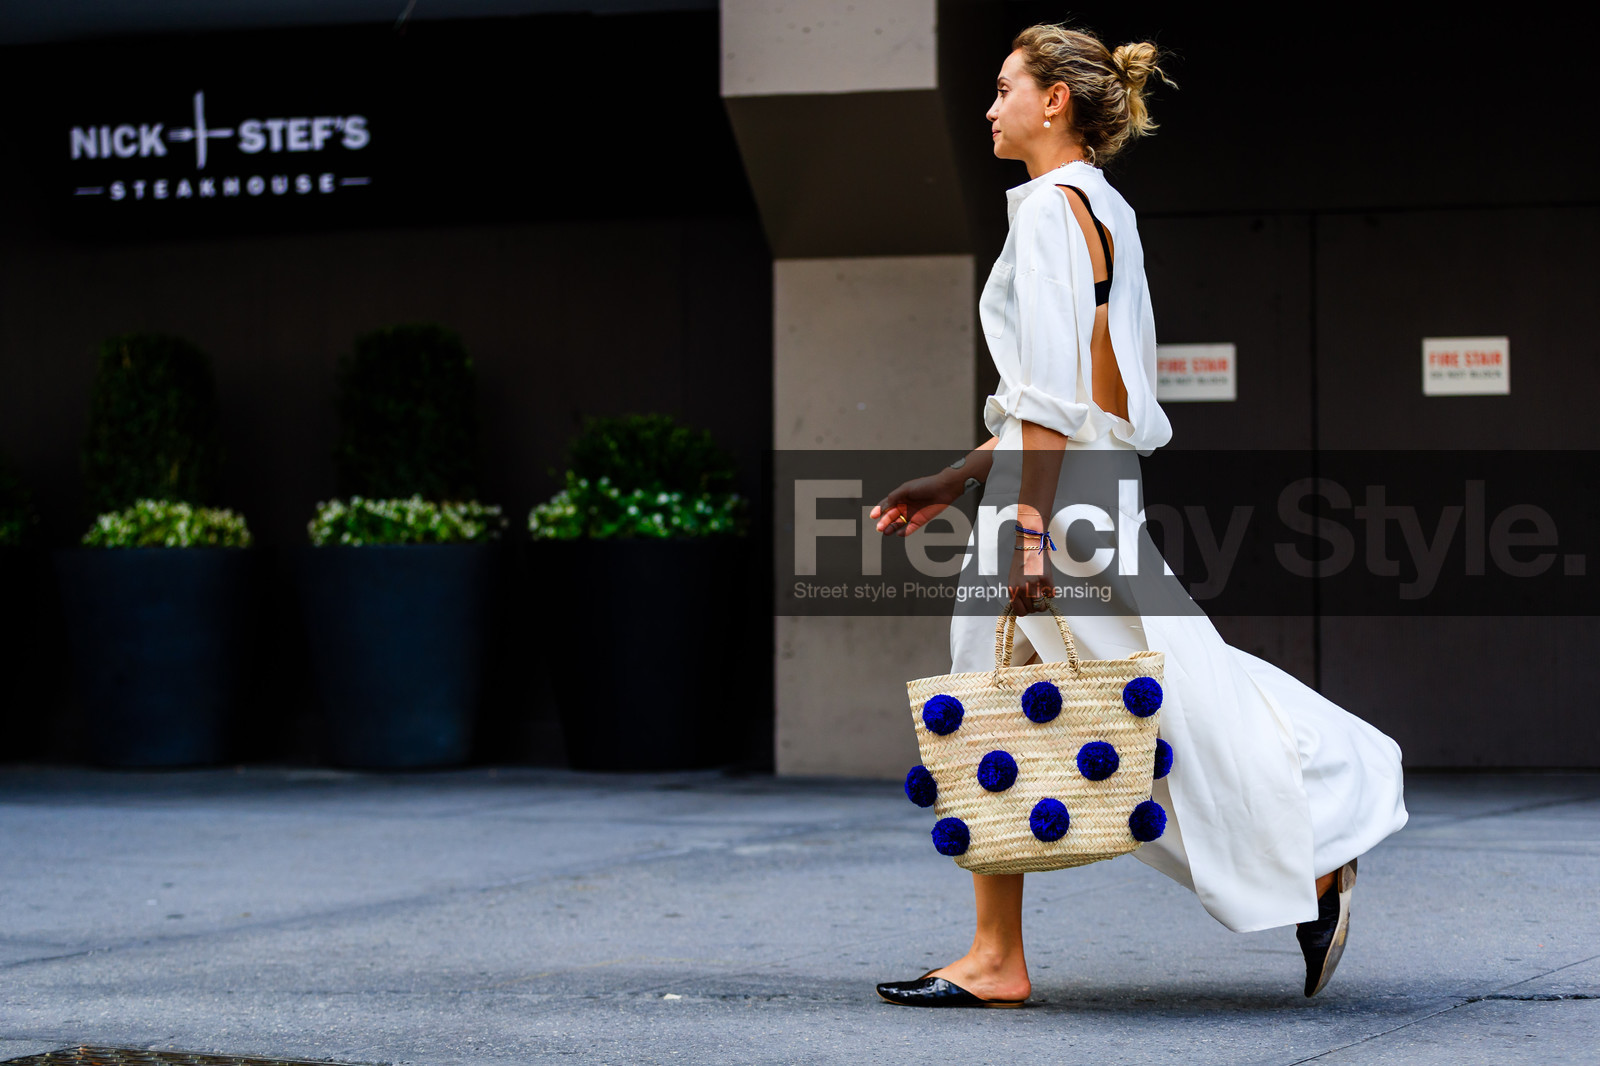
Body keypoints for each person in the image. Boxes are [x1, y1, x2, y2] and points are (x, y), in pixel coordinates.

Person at [867, 22, 1408, 1008]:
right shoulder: (1102, 209)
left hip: (1055, 497)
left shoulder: (1044, 214)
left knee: (1145, 694)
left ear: (1054, 101)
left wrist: (1024, 526)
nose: (988, 108)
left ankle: (1322, 833)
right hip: (1082, 483)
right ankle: (997, 953)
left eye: (1002, 89)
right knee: (1083, 683)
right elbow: (1075, 396)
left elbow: (1049, 399)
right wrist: (958, 476)